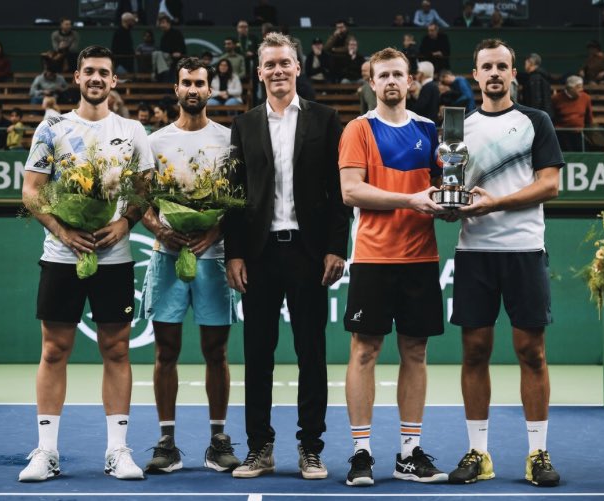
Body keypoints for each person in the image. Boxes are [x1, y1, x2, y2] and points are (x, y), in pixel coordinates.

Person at [19, 44, 153, 483]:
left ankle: (117, 451)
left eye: (105, 73)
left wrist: (126, 223)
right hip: (61, 255)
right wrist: (64, 232)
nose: (96, 79)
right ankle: (46, 451)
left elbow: (143, 191)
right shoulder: (51, 129)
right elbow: (32, 191)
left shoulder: (132, 130)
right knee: (54, 350)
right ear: (76, 78)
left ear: (114, 82)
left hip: (114, 257)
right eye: (89, 72)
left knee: (115, 349)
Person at [224, 32, 349, 480]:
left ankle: (310, 447)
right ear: (259, 72)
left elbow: (340, 193)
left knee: (311, 353)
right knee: (258, 355)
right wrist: (233, 253)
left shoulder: (327, 120)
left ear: (298, 68)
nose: (278, 70)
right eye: (269, 64)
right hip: (257, 256)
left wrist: (337, 246)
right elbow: (234, 196)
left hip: (308, 253)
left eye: (285, 63)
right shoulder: (244, 125)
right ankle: (259, 447)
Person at [446, 38, 564, 488]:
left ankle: (537, 453)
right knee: (474, 352)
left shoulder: (537, 121)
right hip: (474, 253)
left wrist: (493, 204)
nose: (494, 73)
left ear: (514, 73)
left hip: (524, 251)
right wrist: (450, 205)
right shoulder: (457, 127)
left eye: (502, 66)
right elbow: (452, 187)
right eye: (486, 67)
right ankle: (479, 452)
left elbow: (549, 185)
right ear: (474, 75)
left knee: (530, 352)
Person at [338, 47, 448, 487]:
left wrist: (451, 203)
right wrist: (410, 200)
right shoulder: (358, 129)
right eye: (382, 75)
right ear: (370, 81)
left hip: (421, 258)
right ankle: (361, 452)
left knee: (416, 353)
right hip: (373, 257)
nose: (390, 82)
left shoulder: (431, 131)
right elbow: (351, 191)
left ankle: (408, 452)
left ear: (411, 81)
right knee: (365, 351)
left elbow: (444, 186)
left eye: (398, 75)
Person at [139, 56, 242, 475]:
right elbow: (141, 204)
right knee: (166, 351)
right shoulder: (154, 141)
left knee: (216, 352)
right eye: (187, 83)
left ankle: (218, 440)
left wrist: (212, 234)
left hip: (213, 259)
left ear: (211, 89)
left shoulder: (230, 140)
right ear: (176, 89)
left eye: (201, 82)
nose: (194, 89)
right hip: (167, 256)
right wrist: (160, 231)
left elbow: (237, 204)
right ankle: (167, 442)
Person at [551, 75, 593, 152]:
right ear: (570, 88)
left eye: (582, 87)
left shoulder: (586, 98)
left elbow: (589, 118)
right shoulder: (556, 98)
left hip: (578, 133)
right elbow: (552, 117)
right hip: (561, 133)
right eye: (578, 87)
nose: (582, 89)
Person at [520, 53, 553, 120]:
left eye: (526, 63)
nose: (524, 66)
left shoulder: (534, 78)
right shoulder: (542, 75)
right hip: (543, 115)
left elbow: (535, 100)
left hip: (536, 116)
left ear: (531, 63)